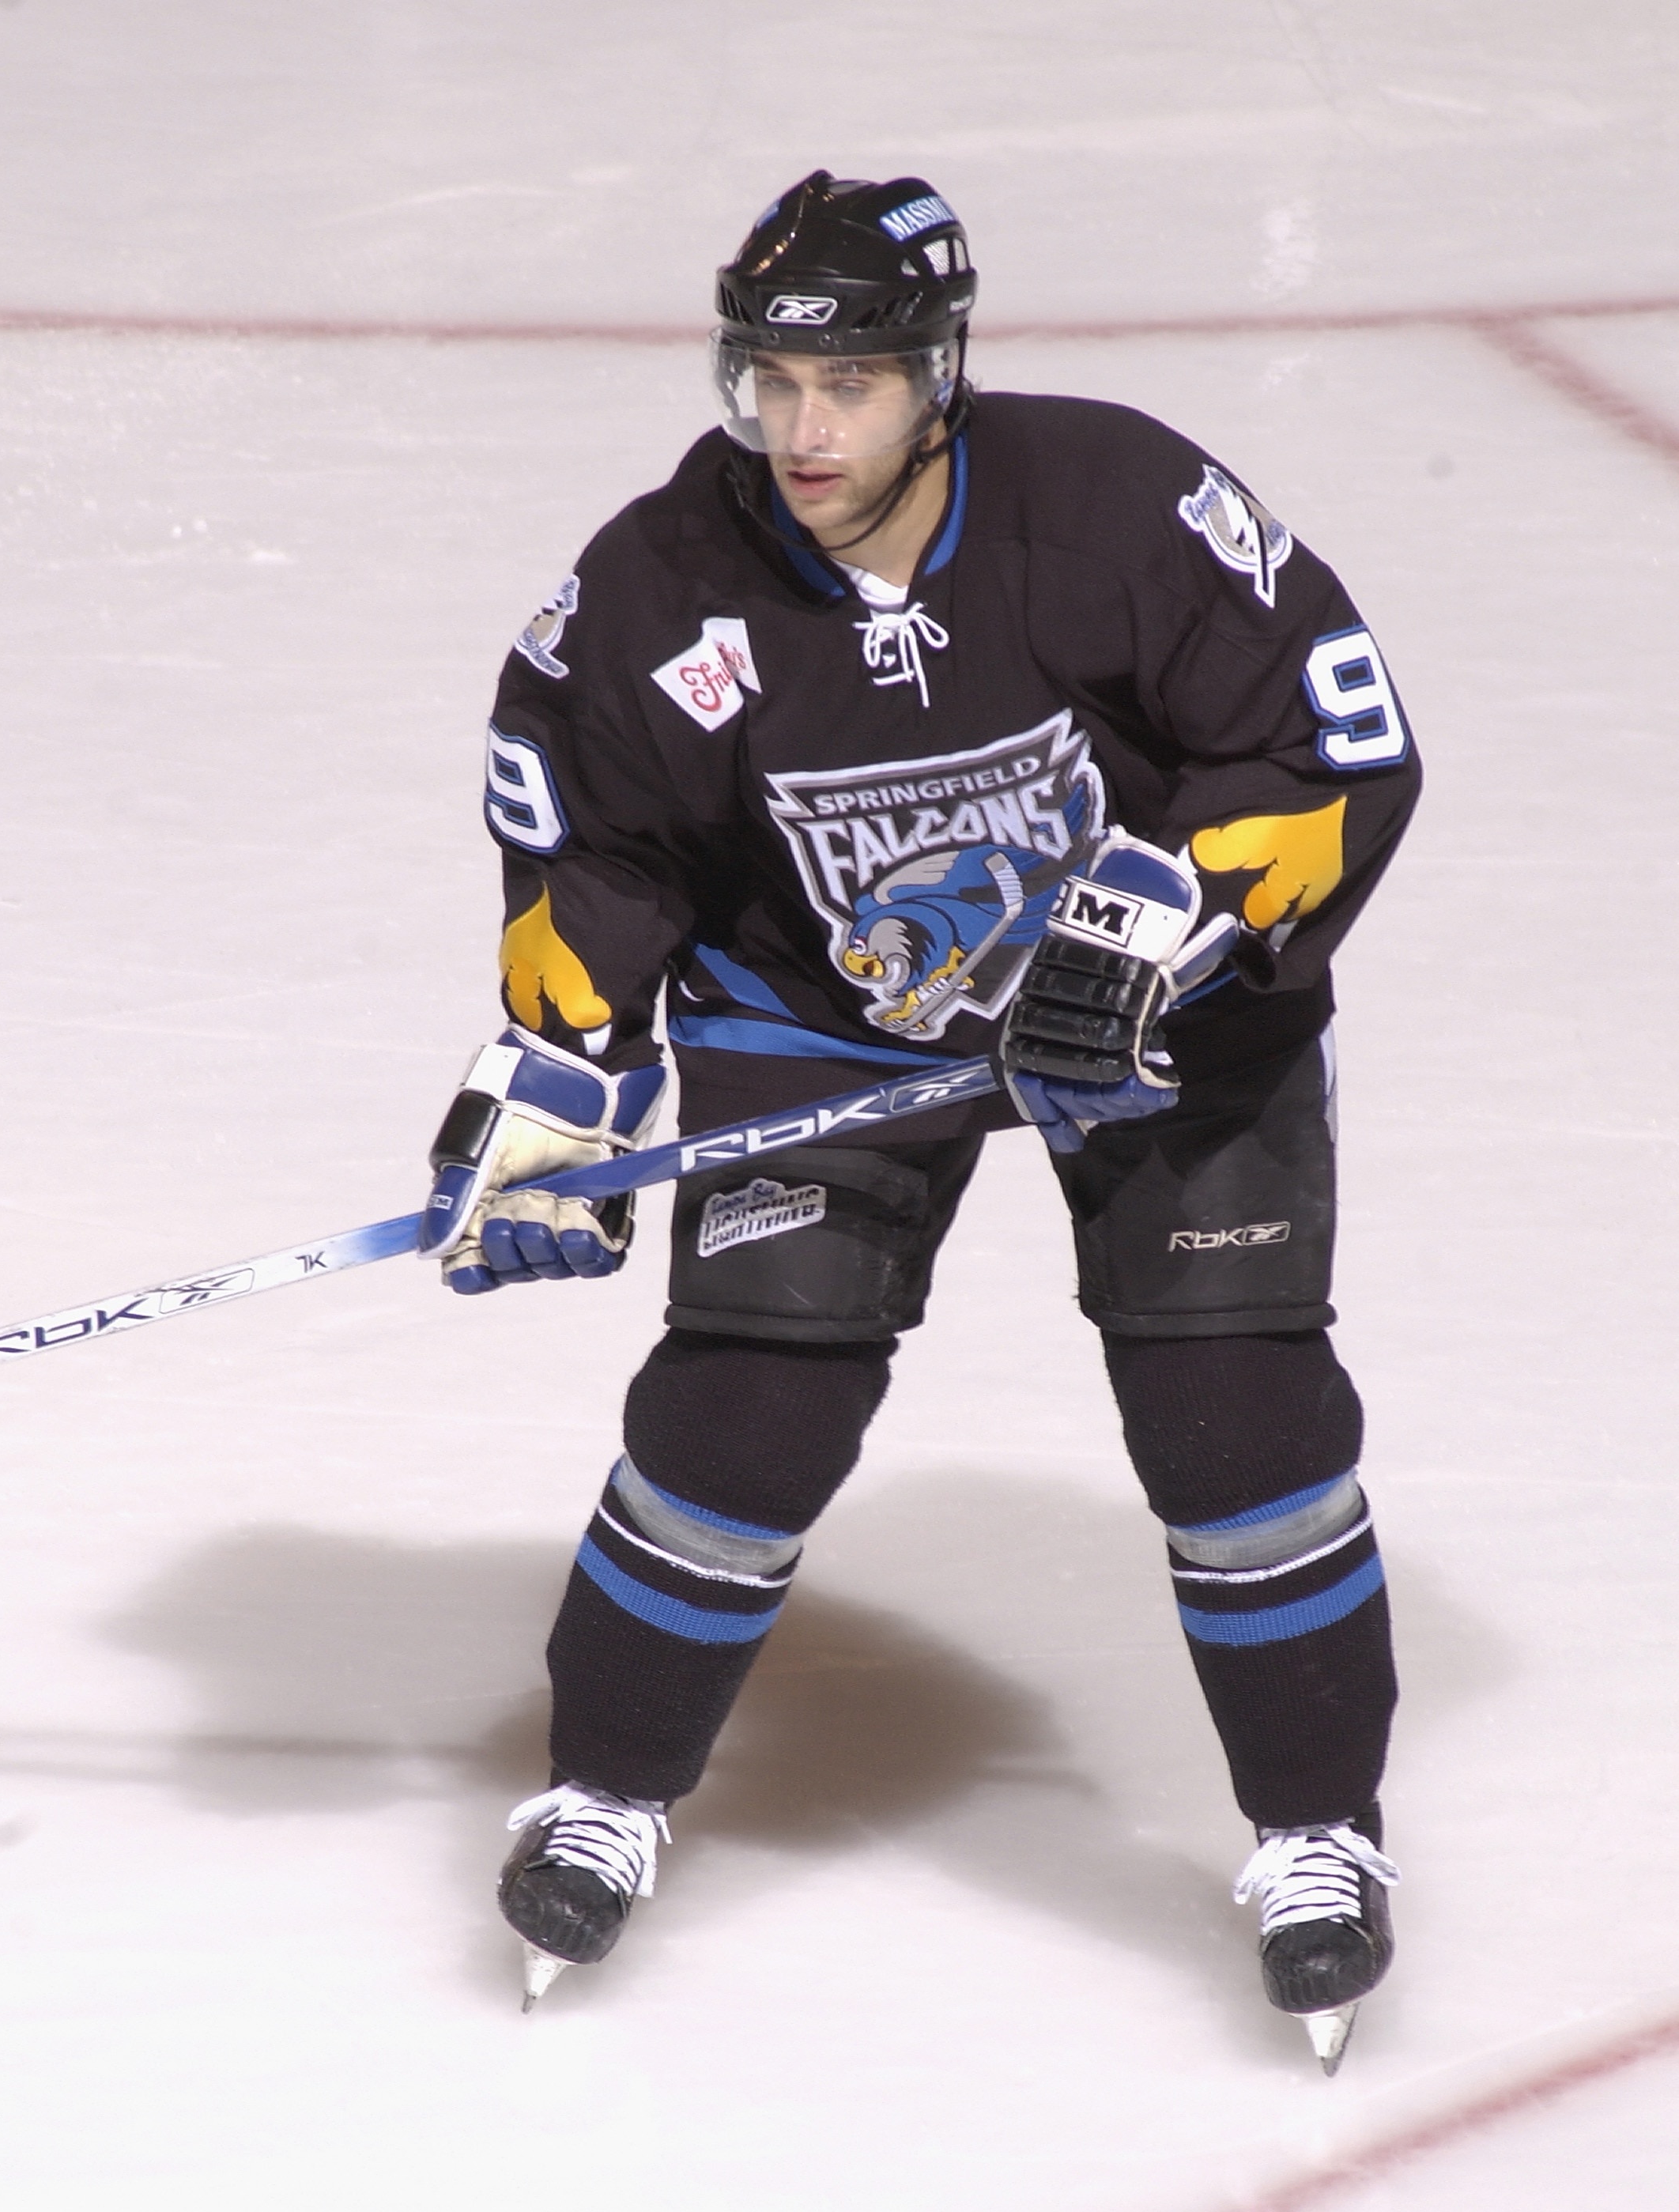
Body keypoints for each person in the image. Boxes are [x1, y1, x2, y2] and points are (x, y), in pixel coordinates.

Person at [421, 172, 1419, 2070]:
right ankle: (604, 1791)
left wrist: (1169, 927)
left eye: (852, 385)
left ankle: (1320, 1835)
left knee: (1236, 1419)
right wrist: (560, 1067)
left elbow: (1325, 743)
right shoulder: (651, 590)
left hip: (1166, 1015)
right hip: (822, 1022)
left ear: (938, 374)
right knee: (743, 1411)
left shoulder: (1115, 505)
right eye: (771, 381)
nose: (803, 431)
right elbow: (603, 858)